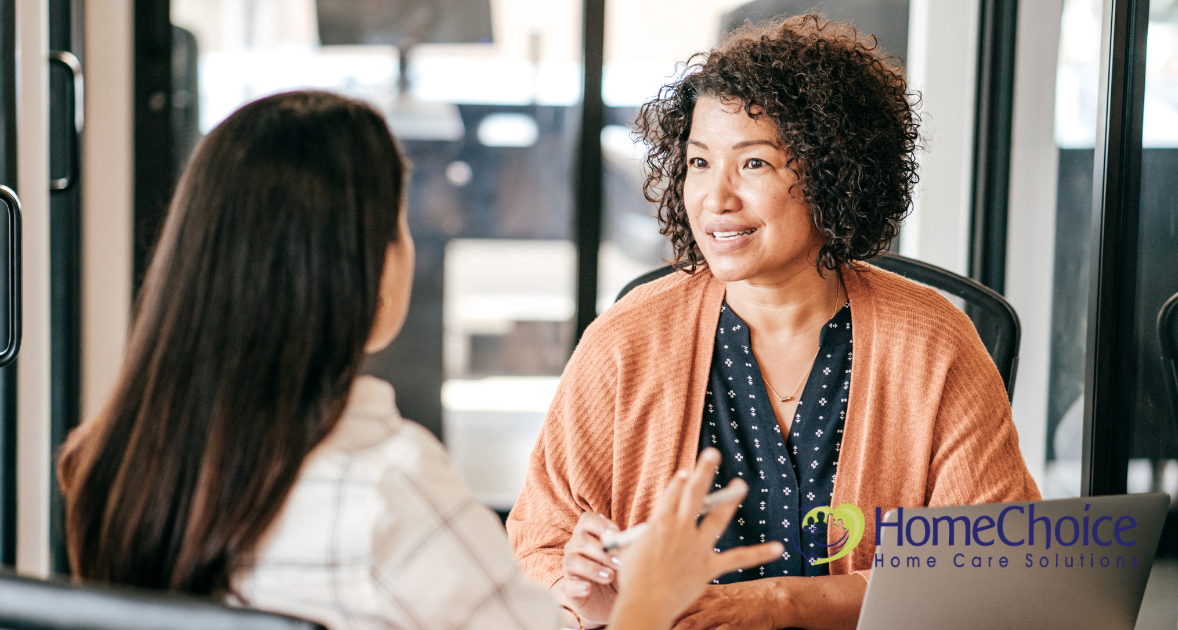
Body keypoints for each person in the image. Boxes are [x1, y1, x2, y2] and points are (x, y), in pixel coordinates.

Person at [56, 90, 781, 630]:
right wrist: (652, 597)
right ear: (364, 271)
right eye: (400, 226)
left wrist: (588, 608)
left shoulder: (112, 462)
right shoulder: (387, 486)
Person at [507, 15, 1040, 630]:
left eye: (753, 164)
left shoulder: (932, 342)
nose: (716, 198)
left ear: (833, 170)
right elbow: (538, 547)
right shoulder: (627, 340)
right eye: (699, 163)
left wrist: (782, 603)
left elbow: (993, 565)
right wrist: (582, 593)